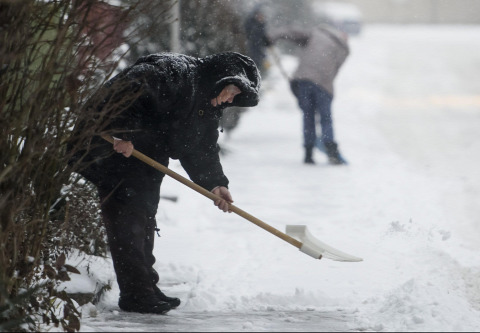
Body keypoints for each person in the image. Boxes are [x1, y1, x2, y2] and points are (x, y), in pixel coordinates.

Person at [68, 52, 260, 314]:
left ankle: (146, 286)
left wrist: (215, 184)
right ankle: (137, 294)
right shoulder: (173, 73)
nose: (230, 99)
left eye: (236, 96)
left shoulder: (207, 104)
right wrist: (120, 132)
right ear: (219, 79)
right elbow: (124, 94)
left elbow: (201, 148)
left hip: (146, 150)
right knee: (128, 217)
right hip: (109, 145)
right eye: (231, 91)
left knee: (144, 212)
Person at [268, 24, 349, 165]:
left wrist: (272, 36)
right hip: (323, 84)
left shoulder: (316, 34)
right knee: (326, 118)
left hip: (304, 80)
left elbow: (292, 33)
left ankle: (308, 153)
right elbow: (334, 70)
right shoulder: (343, 49)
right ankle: (331, 149)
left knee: (308, 116)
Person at [244, 4, 271, 76]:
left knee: (262, 64)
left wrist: (266, 41)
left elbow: (263, 36)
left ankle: (262, 77)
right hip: (253, 49)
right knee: (255, 65)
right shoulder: (252, 24)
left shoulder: (261, 25)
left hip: (260, 51)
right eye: (260, 15)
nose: (261, 17)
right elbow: (252, 36)